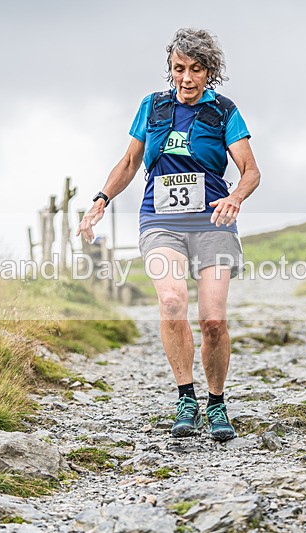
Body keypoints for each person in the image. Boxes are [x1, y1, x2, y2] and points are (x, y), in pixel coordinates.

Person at [76, 28, 260, 441]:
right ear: (171, 69)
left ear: (210, 72)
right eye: (179, 69)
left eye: (196, 70)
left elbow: (251, 170)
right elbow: (127, 163)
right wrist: (100, 199)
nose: (187, 78)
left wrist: (235, 198)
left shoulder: (224, 111)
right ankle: (185, 397)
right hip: (160, 220)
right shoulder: (153, 106)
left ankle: (216, 403)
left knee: (212, 320)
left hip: (212, 220)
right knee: (173, 300)